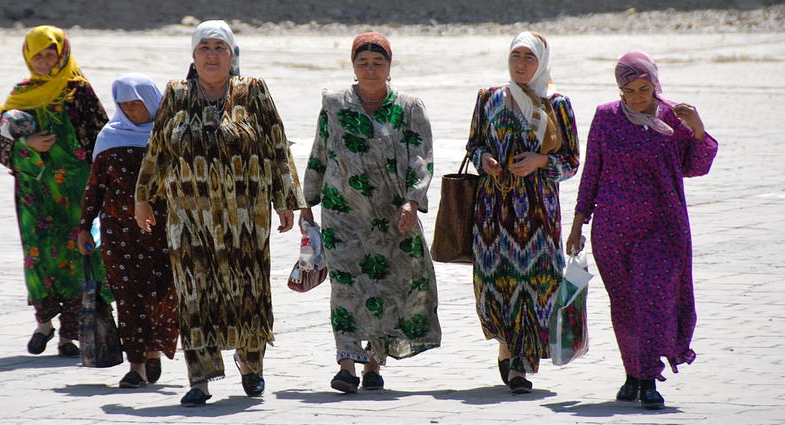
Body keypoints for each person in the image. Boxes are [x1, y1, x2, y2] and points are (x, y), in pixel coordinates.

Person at [133, 20, 305, 406]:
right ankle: (200, 379)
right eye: (204, 48)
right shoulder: (175, 94)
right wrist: (142, 197)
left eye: (220, 48)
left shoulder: (253, 91)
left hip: (246, 216)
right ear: (193, 57)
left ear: (232, 55)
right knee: (194, 294)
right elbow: (158, 148)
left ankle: (251, 363)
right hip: (188, 217)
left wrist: (286, 201)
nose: (212, 55)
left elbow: (277, 145)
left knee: (248, 291)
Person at [566, 51, 717, 410]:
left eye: (644, 89)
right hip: (612, 230)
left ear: (655, 84)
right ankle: (632, 373)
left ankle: (649, 378)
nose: (637, 97)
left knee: (654, 299)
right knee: (624, 304)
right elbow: (592, 172)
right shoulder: (606, 118)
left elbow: (695, 167)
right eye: (629, 91)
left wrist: (697, 129)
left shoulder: (674, 118)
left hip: (662, 229)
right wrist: (576, 224)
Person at [301, 32, 441, 394]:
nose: (370, 69)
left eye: (378, 63)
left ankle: (374, 364)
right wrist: (306, 202)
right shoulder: (334, 104)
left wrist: (413, 200)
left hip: (392, 216)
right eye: (363, 62)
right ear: (353, 66)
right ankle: (346, 364)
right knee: (346, 287)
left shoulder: (409, 108)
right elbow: (319, 153)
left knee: (385, 286)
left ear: (390, 68)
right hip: (342, 214)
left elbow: (421, 158)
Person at [465, 31, 579, 393]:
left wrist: (540, 161)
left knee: (536, 285)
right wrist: (485, 160)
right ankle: (505, 344)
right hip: (492, 213)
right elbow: (474, 143)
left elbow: (572, 161)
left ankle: (522, 363)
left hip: (538, 217)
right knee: (493, 282)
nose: (521, 64)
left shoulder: (556, 104)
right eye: (516, 56)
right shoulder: (489, 99)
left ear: (542, 61)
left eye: (529, 58)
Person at [0, 25, 108, 357]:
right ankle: (43, 323)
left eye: (50, 54)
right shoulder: (21, 94)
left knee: (78, 254)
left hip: (76, 192)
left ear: (62, 53)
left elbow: (102, 133)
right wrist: (27, 143)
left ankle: (70, 335)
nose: (43, 61)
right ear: (27, 57)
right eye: (36, 55)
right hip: (36, 194)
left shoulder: (78, 91)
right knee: (39, 257)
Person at [77, 74, 179, 388]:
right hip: (118, 234)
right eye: (125, 105)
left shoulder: (171, 135)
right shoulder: (109, 136)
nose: (132, 111)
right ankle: (136, 365)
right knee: (128, 297)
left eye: (137, 104)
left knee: (163, 294)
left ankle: (153, 351)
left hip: (162, 232)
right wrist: (84, 227)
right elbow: (94, 187)